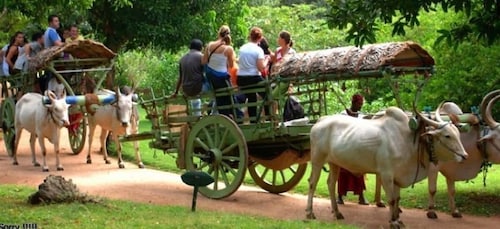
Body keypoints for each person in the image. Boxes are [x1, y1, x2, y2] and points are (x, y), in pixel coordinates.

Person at [337, 93, 369, 205]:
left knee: (358, 172)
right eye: (359, 104)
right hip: (345, 147)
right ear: (353, 103)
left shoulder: (361, 116)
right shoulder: (342, 115)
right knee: (343, 172)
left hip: (357, 148)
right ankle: (340, 196)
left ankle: (361, 197)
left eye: (361, 104)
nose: (360, 106)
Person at [236, 27, 271, 123]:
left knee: (252, 98)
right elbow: (261, 68)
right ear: (260, 38)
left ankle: (253, 120)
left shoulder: (242, 48)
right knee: (267, 94)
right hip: (253, 77)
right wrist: (267, 59)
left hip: (241, 78)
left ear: (250, 37)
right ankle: (268, 118)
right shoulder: (258, 50)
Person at [202, 25, 236, 117]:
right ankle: (234, 116)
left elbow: (204, 61)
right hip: (222, 78)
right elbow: (231, 65)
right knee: (230, 97)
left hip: (212, 78)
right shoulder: (228, 49)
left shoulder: (209, 45)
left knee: (219, 97)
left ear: (219, 34)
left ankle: (221, 114)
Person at [172, 39, 205, 116]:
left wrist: (176, 92)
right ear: (200, 48)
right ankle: (212, 113)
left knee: (195, 99)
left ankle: (197, 115)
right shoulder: (201, 56)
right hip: (197, 88)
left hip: (186, 89)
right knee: (216, 92)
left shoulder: (182, 59)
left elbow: (180, 78)